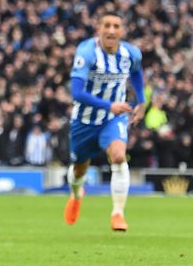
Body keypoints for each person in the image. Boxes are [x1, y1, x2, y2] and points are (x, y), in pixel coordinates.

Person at [63, 12, 145, 232]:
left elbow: (136, 73)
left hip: (114, 117)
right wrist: (109, 105)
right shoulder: (86, 52)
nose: (111, 30)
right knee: (79, 168)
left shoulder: (131, 53)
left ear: (121, 30)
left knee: (118, 156)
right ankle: (76, 194)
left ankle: (118, 213)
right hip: (84, 119)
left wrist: (142, 101)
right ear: (98, 28)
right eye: (107, 25)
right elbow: (76, 93)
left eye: (116, 26)